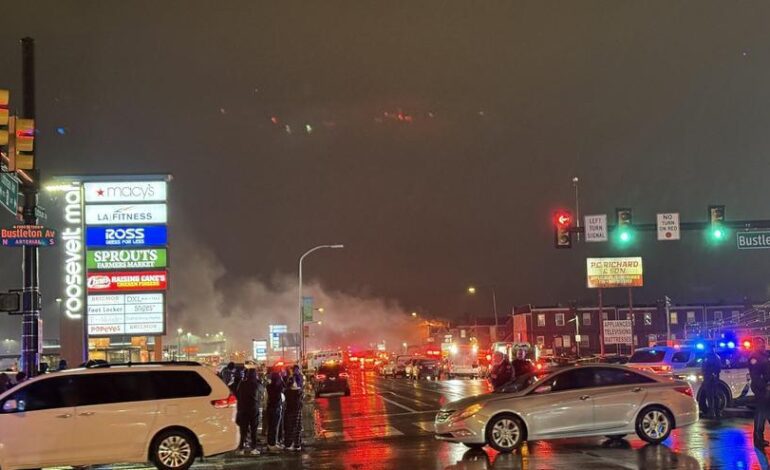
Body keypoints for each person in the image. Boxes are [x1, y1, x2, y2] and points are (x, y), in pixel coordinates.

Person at [236, 368, 264, 455]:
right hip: (254, 410)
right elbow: (262, 394)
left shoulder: (242, 384)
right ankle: (253, 448)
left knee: (243, 430)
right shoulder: (257, 384)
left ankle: (241, 448)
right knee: (254, 430)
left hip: (243, 409)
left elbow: (237, 393)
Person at [750, 338, 770, 447]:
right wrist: (765, 386)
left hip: (767, 388)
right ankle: (758, 439)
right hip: (761, 389)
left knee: (766, 412)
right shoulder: (754, 357)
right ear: (755, 345)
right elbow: (756, 376)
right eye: (760, 345)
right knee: (761, 414)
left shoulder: (764, 355)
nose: (763, 346)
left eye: (763, 344)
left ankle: (760, 438)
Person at [283, 365, 305, 451]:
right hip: (295, 408)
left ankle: (290, 444)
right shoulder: (298, 390)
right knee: (296, 426)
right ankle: (296, 444)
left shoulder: (288, 389)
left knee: (290, 426)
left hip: (290, 408)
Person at [265, 369, 286, 451]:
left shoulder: (269, 386)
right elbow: (284, 386)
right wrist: (281, 378)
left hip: (270, 407)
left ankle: (271, 443)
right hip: (276, 408)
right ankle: (272, 444)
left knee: (271, 426)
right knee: (275, 427)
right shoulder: (279, 387)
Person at [701, 345, 722, 419]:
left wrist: (711, 374)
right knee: (715, 396)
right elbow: (719, 368)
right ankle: (717, 412)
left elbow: (706, 368)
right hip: (713, 379)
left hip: (710, 379)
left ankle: (712, 413)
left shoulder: (709, 357)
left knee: (710, 397)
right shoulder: (716, 357)